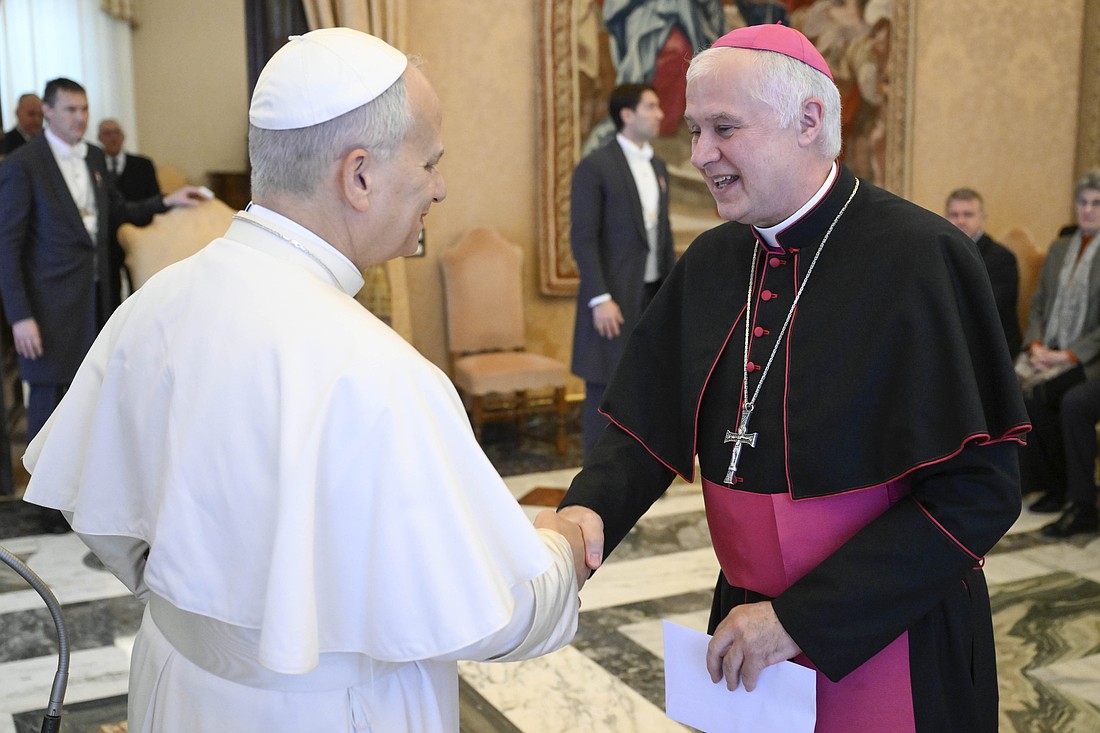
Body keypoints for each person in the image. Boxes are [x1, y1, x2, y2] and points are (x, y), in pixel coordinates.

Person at [21, 28, 586, 733]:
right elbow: (491, 610)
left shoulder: (151, 308)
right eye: (431, 162)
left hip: (175, 682)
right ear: (359, 176)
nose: (439, 187)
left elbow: (108, 519)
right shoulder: (381, 375)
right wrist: (563, 545)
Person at [556, 24, 1028, 732]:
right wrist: (586, 511)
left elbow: (981, 493)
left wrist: (801, 618)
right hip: (746, 630)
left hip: (889, 632)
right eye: (694, 130)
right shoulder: (713, 262)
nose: (700, 155)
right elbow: (643, 429)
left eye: (724, 128)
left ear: (809, 120)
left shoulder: (922, 259)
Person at [0, 78, 205, 531]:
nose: (80, 118)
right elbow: (7, 246)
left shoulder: (93, 157)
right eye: (71, 110)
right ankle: (44, 508)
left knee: (87, 394)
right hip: (46, 308)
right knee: (48, 400)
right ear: (48, 113)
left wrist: (166, 201)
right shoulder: (22, 164)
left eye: (85, 109)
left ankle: (77, 494)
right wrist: (20, 316)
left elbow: (118, 211)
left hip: (96, 299)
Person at [571, 83, 675, 459]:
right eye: (651, 106)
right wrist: (599, 298)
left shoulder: (658, 166)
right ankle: (596, 483)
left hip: (649, 296)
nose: (660, 113)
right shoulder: (596, 166)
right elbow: (583, 238)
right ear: (627, 114)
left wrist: (672, 296)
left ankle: (637, 472)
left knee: (646, 387)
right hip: (612, 300)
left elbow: (660, 237)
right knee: (604, 393)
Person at [1016, 169, 1100, 514]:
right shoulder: (1060, 247)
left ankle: (1081, 502)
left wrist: (1067, 356)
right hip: (1048, 354)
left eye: (1097, 203)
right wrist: (1036, 344)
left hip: (1088, 361)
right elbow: (1038, 303)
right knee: (1025, 395)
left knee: (1068, 401)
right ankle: (1052, 485)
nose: (1088, 210)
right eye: (1083, 202)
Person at [945, 187, 1021, 354]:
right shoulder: (939, 254)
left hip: (991, 349)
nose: (961, 221)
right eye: (954, 215)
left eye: (968, 214)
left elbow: (985, 307)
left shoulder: (1002, 258)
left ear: (983, 219)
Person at [98, 118, 163, 303]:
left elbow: (154, 199)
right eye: (107, 133)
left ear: (123, 136)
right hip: (109, 240)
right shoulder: (96, 166)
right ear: (99, 138)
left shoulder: (142, 165)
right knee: (110, 293)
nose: (112, 138)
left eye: (116, 132)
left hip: (139, 236)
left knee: (140, 290)